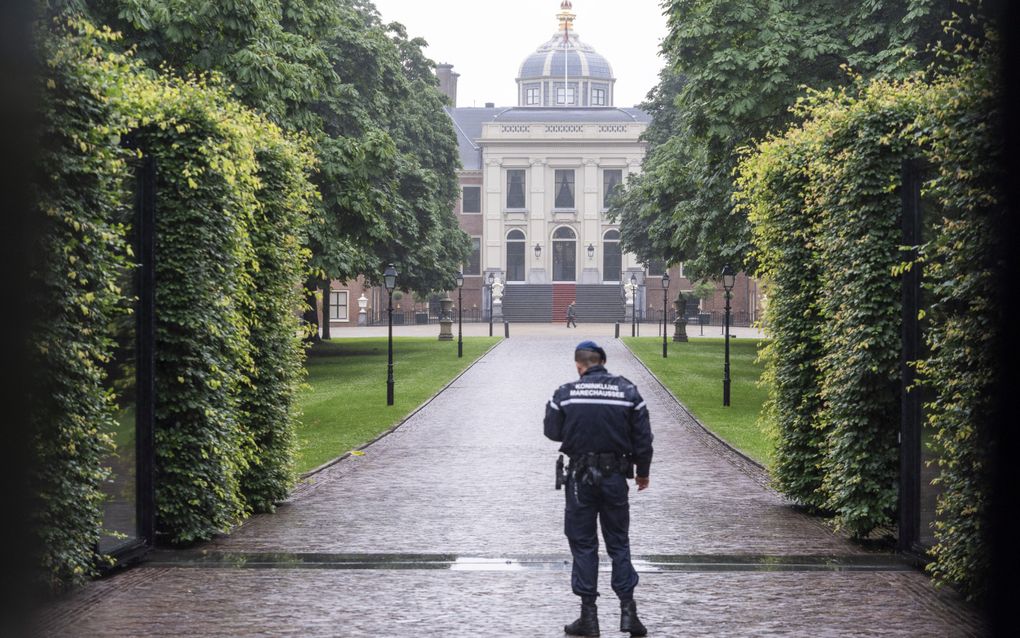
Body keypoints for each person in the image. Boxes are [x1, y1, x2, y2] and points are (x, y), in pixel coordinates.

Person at [544, 340, 653, 636]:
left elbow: (552, 432)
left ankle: (588, 617)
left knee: (583, 544)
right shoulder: (628, 391)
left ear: (579, 366)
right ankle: (629, 613)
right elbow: (643, 438)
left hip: (580, 478)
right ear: (603, 361)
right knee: (618, 541)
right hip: (615, 477)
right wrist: (642, 473)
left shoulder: (565, 394)